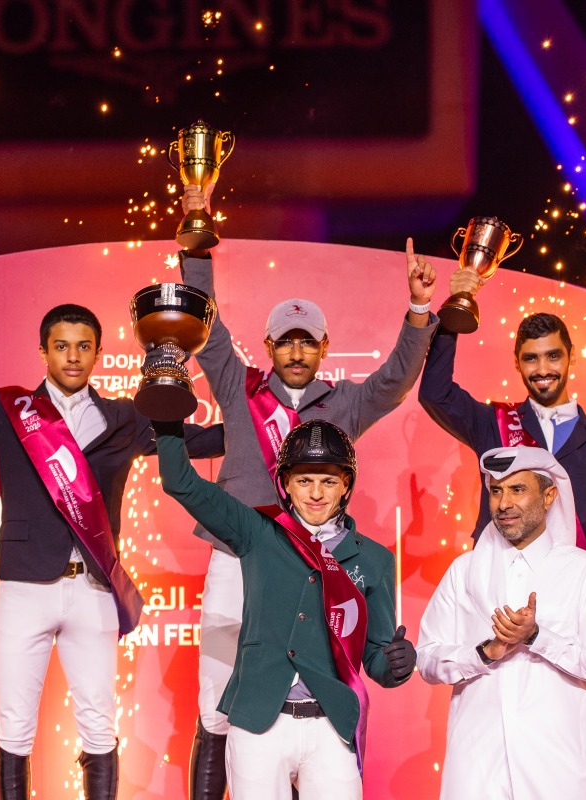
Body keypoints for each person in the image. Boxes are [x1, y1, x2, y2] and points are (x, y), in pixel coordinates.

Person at [0, 292, 224, 800]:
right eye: (61, 346)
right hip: (25, 587)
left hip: (93, 591)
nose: (72, 356)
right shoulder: (7, 410)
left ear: (97, 353)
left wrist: (268, 420)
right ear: (43, 352)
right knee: (14, 728)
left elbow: (202, 441)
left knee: (99, 724)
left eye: (84, 346)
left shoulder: (126, 418)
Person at [175, 184, 439, 799]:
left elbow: (395, 382)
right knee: (217, 703)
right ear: (269, 348)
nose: (296, 351)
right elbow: (205, 322)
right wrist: (196, 228)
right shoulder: (239, 385)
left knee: (307, 701)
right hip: (237, 558)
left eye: (307, 340)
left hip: (313, 566)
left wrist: (420, 312)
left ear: (323, 349)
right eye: (285, 340)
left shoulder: (343, 403)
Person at [153, 417, 417, 799]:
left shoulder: (374, 559)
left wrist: (397, 664)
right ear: (286, 483)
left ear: (346, 485)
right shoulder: (257, 531)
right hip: (260, 721)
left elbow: (375, 659)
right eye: (304, 480)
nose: (315, 493)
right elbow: (181, 482)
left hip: (332, 726)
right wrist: (166, 419)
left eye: (328, 481)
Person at [418, 269, 586, 631]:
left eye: (553, 356)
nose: (543, 369)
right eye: (531, 358)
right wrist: (455, 313)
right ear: (517, 362)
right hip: (493, 597)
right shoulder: (493, 424)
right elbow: (434, 394)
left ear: (571, 358)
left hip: (571, 601)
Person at [416, 446, 586, 799]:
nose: (503, 504)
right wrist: (484, 652)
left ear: (548, 496)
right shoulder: (464, 573)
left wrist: (538, 637)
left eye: (517, 490)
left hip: (561, 772)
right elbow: (427, 660)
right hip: (480, 770)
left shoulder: (584, 572)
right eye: (496, 491)